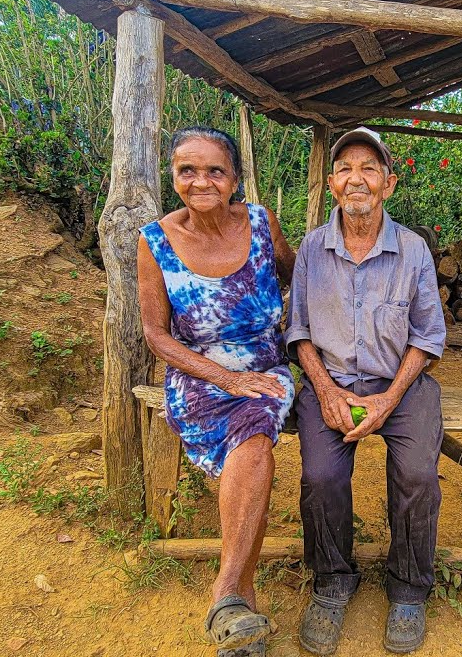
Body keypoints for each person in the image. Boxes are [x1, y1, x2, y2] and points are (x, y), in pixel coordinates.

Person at [137, 126, 296, 657]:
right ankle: (240, 599)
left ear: (234, 180)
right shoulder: (155, 240)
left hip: (265, 367)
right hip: (197, 372)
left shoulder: (260, 222)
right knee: (245, 448)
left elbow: (299, 272)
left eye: (214, 170)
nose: (200, 180)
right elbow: (156, 334)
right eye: (188, 170)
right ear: (174, 176)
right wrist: (223, 378)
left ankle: (226, 593)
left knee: (252, 440)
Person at [286, 127, 446, 655]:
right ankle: (333, 580)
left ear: (388, 183)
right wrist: (327, 390)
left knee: (418, 474)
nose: (357, 179)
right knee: (322, 475)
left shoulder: (414, 249)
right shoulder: (312, 247)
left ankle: (408, 587)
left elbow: (427, 336)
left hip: (401, 382)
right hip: (328, 379)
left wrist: (388, 398)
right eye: (346, 169)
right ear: (332, 183)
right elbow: (300, 332)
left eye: (370, 168)